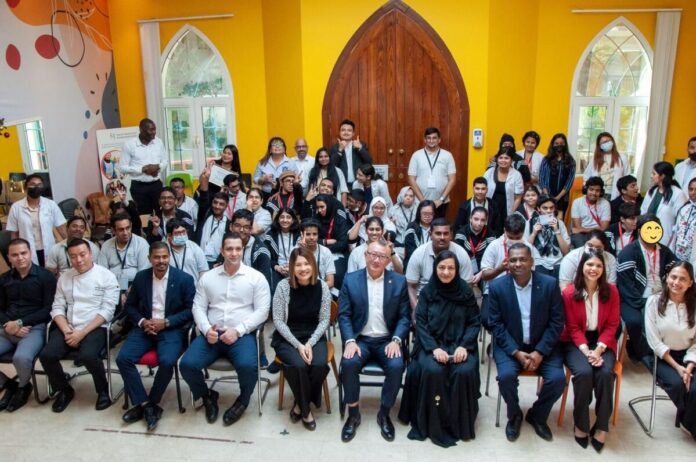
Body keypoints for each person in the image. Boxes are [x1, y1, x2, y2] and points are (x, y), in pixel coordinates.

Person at [179, 232, 271, 426]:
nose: (234, 253)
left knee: (248, 367)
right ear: (222, 251)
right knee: (186, 365)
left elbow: (263, 311)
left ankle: (243, 401)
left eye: (238, 249)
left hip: (241, 335)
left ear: (243, 250)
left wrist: (238, 330)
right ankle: (207, 396)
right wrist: (206, 329)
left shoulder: (256, 277)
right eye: (229, 249)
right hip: (212, 334)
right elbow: (198, 307)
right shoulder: (208, 278)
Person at [398, 251, 481, 446]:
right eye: (442, 267)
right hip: (431, 344)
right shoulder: (428, 292)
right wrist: (434, 349)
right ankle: (432, 423)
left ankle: (459, 425)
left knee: (464, 371)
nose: (446, 272)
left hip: (460, 344)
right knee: (433, 370)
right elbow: (421, 322)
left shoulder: (466, 292)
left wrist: (464, 346)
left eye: (451, 268)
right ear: (435, 269)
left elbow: (474, 322)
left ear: (457, 269)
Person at [488, 243, 565, 442]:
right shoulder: (497, 287)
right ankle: (514, 415)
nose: (518, 264)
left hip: (543, 345)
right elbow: (495, 324)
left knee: (558, 379)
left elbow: (557, 322)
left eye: (523, 259)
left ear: (531, 261)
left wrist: (540, 352)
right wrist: (515, 352)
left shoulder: (549, 284)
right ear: (507, 263)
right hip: (510, 346)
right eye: (513, 260)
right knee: (505, 377)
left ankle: (537, 415)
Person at [117, 242, 196, 431]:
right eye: (157, 257)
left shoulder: (184, 279)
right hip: (145, 328)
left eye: (164, 257)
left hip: (170, 328)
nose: (161, 261)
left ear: (169, 257)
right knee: (123, 358)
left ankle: (152, 401)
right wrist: (143, 321)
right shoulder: (141, 277)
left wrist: (166, 322)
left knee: (167, 361)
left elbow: (190, 310)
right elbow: (130, 306)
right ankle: (146, 405)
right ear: (149, 258)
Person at [338, 239, 410, 442]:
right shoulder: (351, 280)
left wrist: (396, 340)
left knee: (396, 366)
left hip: (387, 340)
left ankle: (384, 413)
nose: (376, 260)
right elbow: (344, 315)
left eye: (382, 256)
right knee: (349, 363)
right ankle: (353, 414)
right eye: (373, 254)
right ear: (365, 255)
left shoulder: (399, 281)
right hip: (360, 340)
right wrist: (350, 341)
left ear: (388, 260)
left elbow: (404, 317)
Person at [39, 238, 120, 412]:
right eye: (73, 256)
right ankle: (64, 389)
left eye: (82, 255)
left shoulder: (106, 276)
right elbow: (57, 307)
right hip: (68, 326)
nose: (79, 260)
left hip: (95, 326)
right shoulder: (64, 278)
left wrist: (81, 333)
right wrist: (65, 329)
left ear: (91, 254)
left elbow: (107, 312)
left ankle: (103, 390)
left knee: (88, 356)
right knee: (47, 355)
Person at [560, 248, 620, 452]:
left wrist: (599, 350)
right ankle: (581, 424)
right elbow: (572, 327)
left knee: (605, 373)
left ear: (604, 269)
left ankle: (602, 426)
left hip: (603, 341)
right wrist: (587, 352)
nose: (594, 269)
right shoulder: (569, 293)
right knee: (584, 372)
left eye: (598, 265)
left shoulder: (612, 292)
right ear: (581, 267)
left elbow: (612, 325)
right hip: (576, 342)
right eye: (590, 264)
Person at [271, 247, 331, 430]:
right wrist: (298, 345)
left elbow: (325, 320)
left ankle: (299, 404)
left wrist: (310, 343)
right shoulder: (283, 287)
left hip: (314, 336)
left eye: (306, 264)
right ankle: (306, 411)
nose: (303, 268)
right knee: (299, 365)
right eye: (298, 265)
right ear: (291, 267)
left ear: (313, 265)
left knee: (319, 364)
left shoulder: (322, 286)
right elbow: (278, 321)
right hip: (287, 337)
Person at [0, 239, 56, 412]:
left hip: (34, 328)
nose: (20, 258)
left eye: (23, 253)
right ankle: (9, 384)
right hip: (7, 328)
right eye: (15, 255)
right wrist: (7, 324)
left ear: (30, 253)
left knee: (21, 358)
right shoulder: (4, 279)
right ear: (9, 258)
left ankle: (23, 387)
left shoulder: (45, 277)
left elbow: (48, 309)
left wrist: (20, 323)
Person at [644, 261, 696, 440]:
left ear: (690, 283)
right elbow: (654, 341)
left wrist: (689, 366)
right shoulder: (654, 302)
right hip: (662, 357)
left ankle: (687, 420)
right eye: (673, 277)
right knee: (678, 384)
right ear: (667, 278)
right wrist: (678, 368)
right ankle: (689, 422)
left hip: (689, 356)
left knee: (694, 387)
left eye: (683, 279)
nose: (676, 282)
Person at [618, 214, 678, 362]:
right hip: (634, 297)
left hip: (661, 295)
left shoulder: (665, 251)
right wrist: (643, 303)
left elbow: (677, 269)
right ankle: (643, 353)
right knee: (635, 321)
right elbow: (625, 284)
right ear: (640, 231)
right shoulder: (628, 252)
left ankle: (671, 354)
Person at [480, 214, 541, 328]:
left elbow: (533, 273)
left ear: (523, 233)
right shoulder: (494, 246)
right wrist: (500, 269)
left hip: (522, 290)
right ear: (504, 230)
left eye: (517, 238)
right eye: (511, 237)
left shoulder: (528, 248)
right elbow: (484, 275)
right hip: (496, 291)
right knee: (487, 319)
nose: (514, 241)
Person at [405, 218, 474, 317]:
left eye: (446, 234)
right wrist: (416, 310)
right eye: (438, 233)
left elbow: (467, 286)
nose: (442, 237)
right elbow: (411, 286)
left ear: (451, 235)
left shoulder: (461, 254)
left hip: (453, 300)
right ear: (430, 235)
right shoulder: (419, 254)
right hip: (424, 300)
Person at [6, 173, 67, 267]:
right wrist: (15, 252)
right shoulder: (16, 207)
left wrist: (70, 245)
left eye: (39, 185)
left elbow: (61, 227)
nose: (36, 187)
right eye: (33, 184)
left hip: (48, 248)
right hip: (26, 251)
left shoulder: (51, 205)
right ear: (26, 187)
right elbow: (14, 233)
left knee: (50, 272)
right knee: (32, 274)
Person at [120, 118, 167, 214]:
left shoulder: (159, 142)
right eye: (151, 130)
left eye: (154, 129)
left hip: (156, 185)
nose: (154, 132)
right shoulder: (129, 145)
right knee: (144, 215)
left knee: (160, 212)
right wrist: (142, 169)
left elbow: (165, 161)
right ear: (141, 130)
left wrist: (157, 167)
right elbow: (122, 168)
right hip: (139, 187)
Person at [408, 127, 457, 217]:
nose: (431, 140)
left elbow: (452, 180)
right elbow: (411, 180)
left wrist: (441, 199)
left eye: (434, 138)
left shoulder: (447, 156)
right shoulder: (416, 155)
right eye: (429, 138)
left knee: (439, 224)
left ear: (439, 140)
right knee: (421, 224)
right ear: (425, 140)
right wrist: (422, 200)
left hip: (441, 203)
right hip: (420, 202)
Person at [98, 212, 151, 291]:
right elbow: (102, 272)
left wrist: (130, 291)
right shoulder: (106, 246)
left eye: (127, 228)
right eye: (121, 229)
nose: (125, 233)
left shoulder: (141, 243)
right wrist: (115, 292)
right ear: (113, 230)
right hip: (112, 286)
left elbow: (144, 273)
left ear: (131, 226)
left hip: (137, 285)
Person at [641, 161, 688, 245]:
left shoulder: (678, 194)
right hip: (646, 235)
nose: (651, 176)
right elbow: (643, 212)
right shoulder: (651, 191)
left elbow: (681, 221)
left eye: (654, 174)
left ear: (662, 176)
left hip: (666, 238)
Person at [526, 196, 571, 278]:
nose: (549, 211)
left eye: (551, 208)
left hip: (557, 262)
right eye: (545, 208)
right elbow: (525, 249)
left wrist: (557, 231)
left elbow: (566, 251)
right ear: (538, 209)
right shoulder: (530, 223)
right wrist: (534, 233)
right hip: (538, 262)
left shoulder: (560, 223)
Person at [455, 206, 496, 290]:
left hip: (483, 269)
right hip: (464, 268)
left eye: (482, 220)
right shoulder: (461, 233)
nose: (479, 223)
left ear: (486, 221)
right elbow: (458, 257)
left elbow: (493, 258)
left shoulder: (491, 234)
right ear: (470, 218)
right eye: (476, 219)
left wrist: (481, 273)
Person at [314, 194, 349, 289]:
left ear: (328, 205)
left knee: (338, 274)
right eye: (317, 207)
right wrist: (326, 241)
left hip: (338, 253)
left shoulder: (339, 217)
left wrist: (324, 248)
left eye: (322, 207)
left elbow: (343, 243)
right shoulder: (317, 217)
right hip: (319, 252)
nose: (319, 210)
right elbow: (312, 239)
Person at [582, 132, 630, 200]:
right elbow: (586, 176)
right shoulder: (594, 159)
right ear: (599, 145)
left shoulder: (622, 158)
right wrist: (589, 191)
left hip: (615, 194)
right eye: (603, 143)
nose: (606, 143)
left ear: (612, 141)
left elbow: (627, 177)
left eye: (608, 141)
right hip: (598, 194)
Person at [539, 133, 576, 217]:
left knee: (558, 221)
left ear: (565, 144)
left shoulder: (571, 161)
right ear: (553, 144)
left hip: (562, 198)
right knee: (545, 220)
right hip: (546, 196)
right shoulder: (546, 159)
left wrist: (557, 197)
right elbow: (541, 177)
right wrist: (547, 195)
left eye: (561, 143)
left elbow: (569, 182)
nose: (559, 145)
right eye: (556, 143)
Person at [266, 208, 301, 292]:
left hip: (295, 267)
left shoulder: (299, 234)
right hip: (277, 269)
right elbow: (267, 256)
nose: (285, 220)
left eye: (288, 217)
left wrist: (291, 266)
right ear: (278, 220)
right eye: (282, 217)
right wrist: (276, 267)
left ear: (293, 220)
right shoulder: (270, 235)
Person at [484, 147, 524, 219]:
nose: (503, 160)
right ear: (497, 159)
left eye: (506, 158)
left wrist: (511, 214)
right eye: (501, 158)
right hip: (490, 210)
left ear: (511, 160)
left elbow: (518, 198)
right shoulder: (489, 172)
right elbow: (482, 190)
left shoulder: (517, 175)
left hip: (507, 211)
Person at [570, 176, 611, 248]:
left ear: (601, 192)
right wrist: (597, 228)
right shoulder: (577, 202)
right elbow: (577, 226)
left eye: (597, 190)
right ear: (586, 189)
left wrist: (582, 230)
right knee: (581, 244)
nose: (594, 193)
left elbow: (604, 228)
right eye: (591, 189)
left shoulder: (605, 203)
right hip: (581, 235)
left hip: (598, 234)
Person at [330, 119, 373, 185]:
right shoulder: (335, 147)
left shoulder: (361, 145)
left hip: (359, 182)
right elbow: (332, 166)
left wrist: (360, 148)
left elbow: (369, 161)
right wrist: (340, 150)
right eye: (343, 130)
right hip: (341, 184)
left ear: (353, 133)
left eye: (349, 130)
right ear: (340, 132)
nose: (346, 132)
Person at [296, 219, 336, 289]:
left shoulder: (326, 252)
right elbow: (293, 279)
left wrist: (314, 290)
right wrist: (303, 251)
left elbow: (330, 282)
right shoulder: (295, 252)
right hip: (301, 289)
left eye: (315, 234)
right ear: (301, 234)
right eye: (308, 234)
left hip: (322, 288)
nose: (312, 237)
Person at [194, 192, 229, 268]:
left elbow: (228, 245)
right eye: (215, 202)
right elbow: (204, 197)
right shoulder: (204, 217)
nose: (217, 206)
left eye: (221, 204)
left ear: (226, 206)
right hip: (199, 260)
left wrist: (220, 262)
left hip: (216, 263)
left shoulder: (229, 225)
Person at [403, 200, 435, 268]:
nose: (427, 216)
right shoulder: (411, 228)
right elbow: (410, 251)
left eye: (430, 214)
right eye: (424, 213)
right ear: (419, 213)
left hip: (433, 262)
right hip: (414, 263)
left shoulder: (437, 228)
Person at [671, 178, 696, 263]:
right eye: (691, 189)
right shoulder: (684, 209)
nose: (693, 192)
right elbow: (676, 233)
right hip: (677, 257)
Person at [389, 186, 419, 252]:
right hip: (398, 240)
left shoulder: (418, 209)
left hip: (414, 239)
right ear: (401, 196)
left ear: (414, 198)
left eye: (411, 196)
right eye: (405, 195)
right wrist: (392, 224)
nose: (408, 198)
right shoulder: (394, 210)